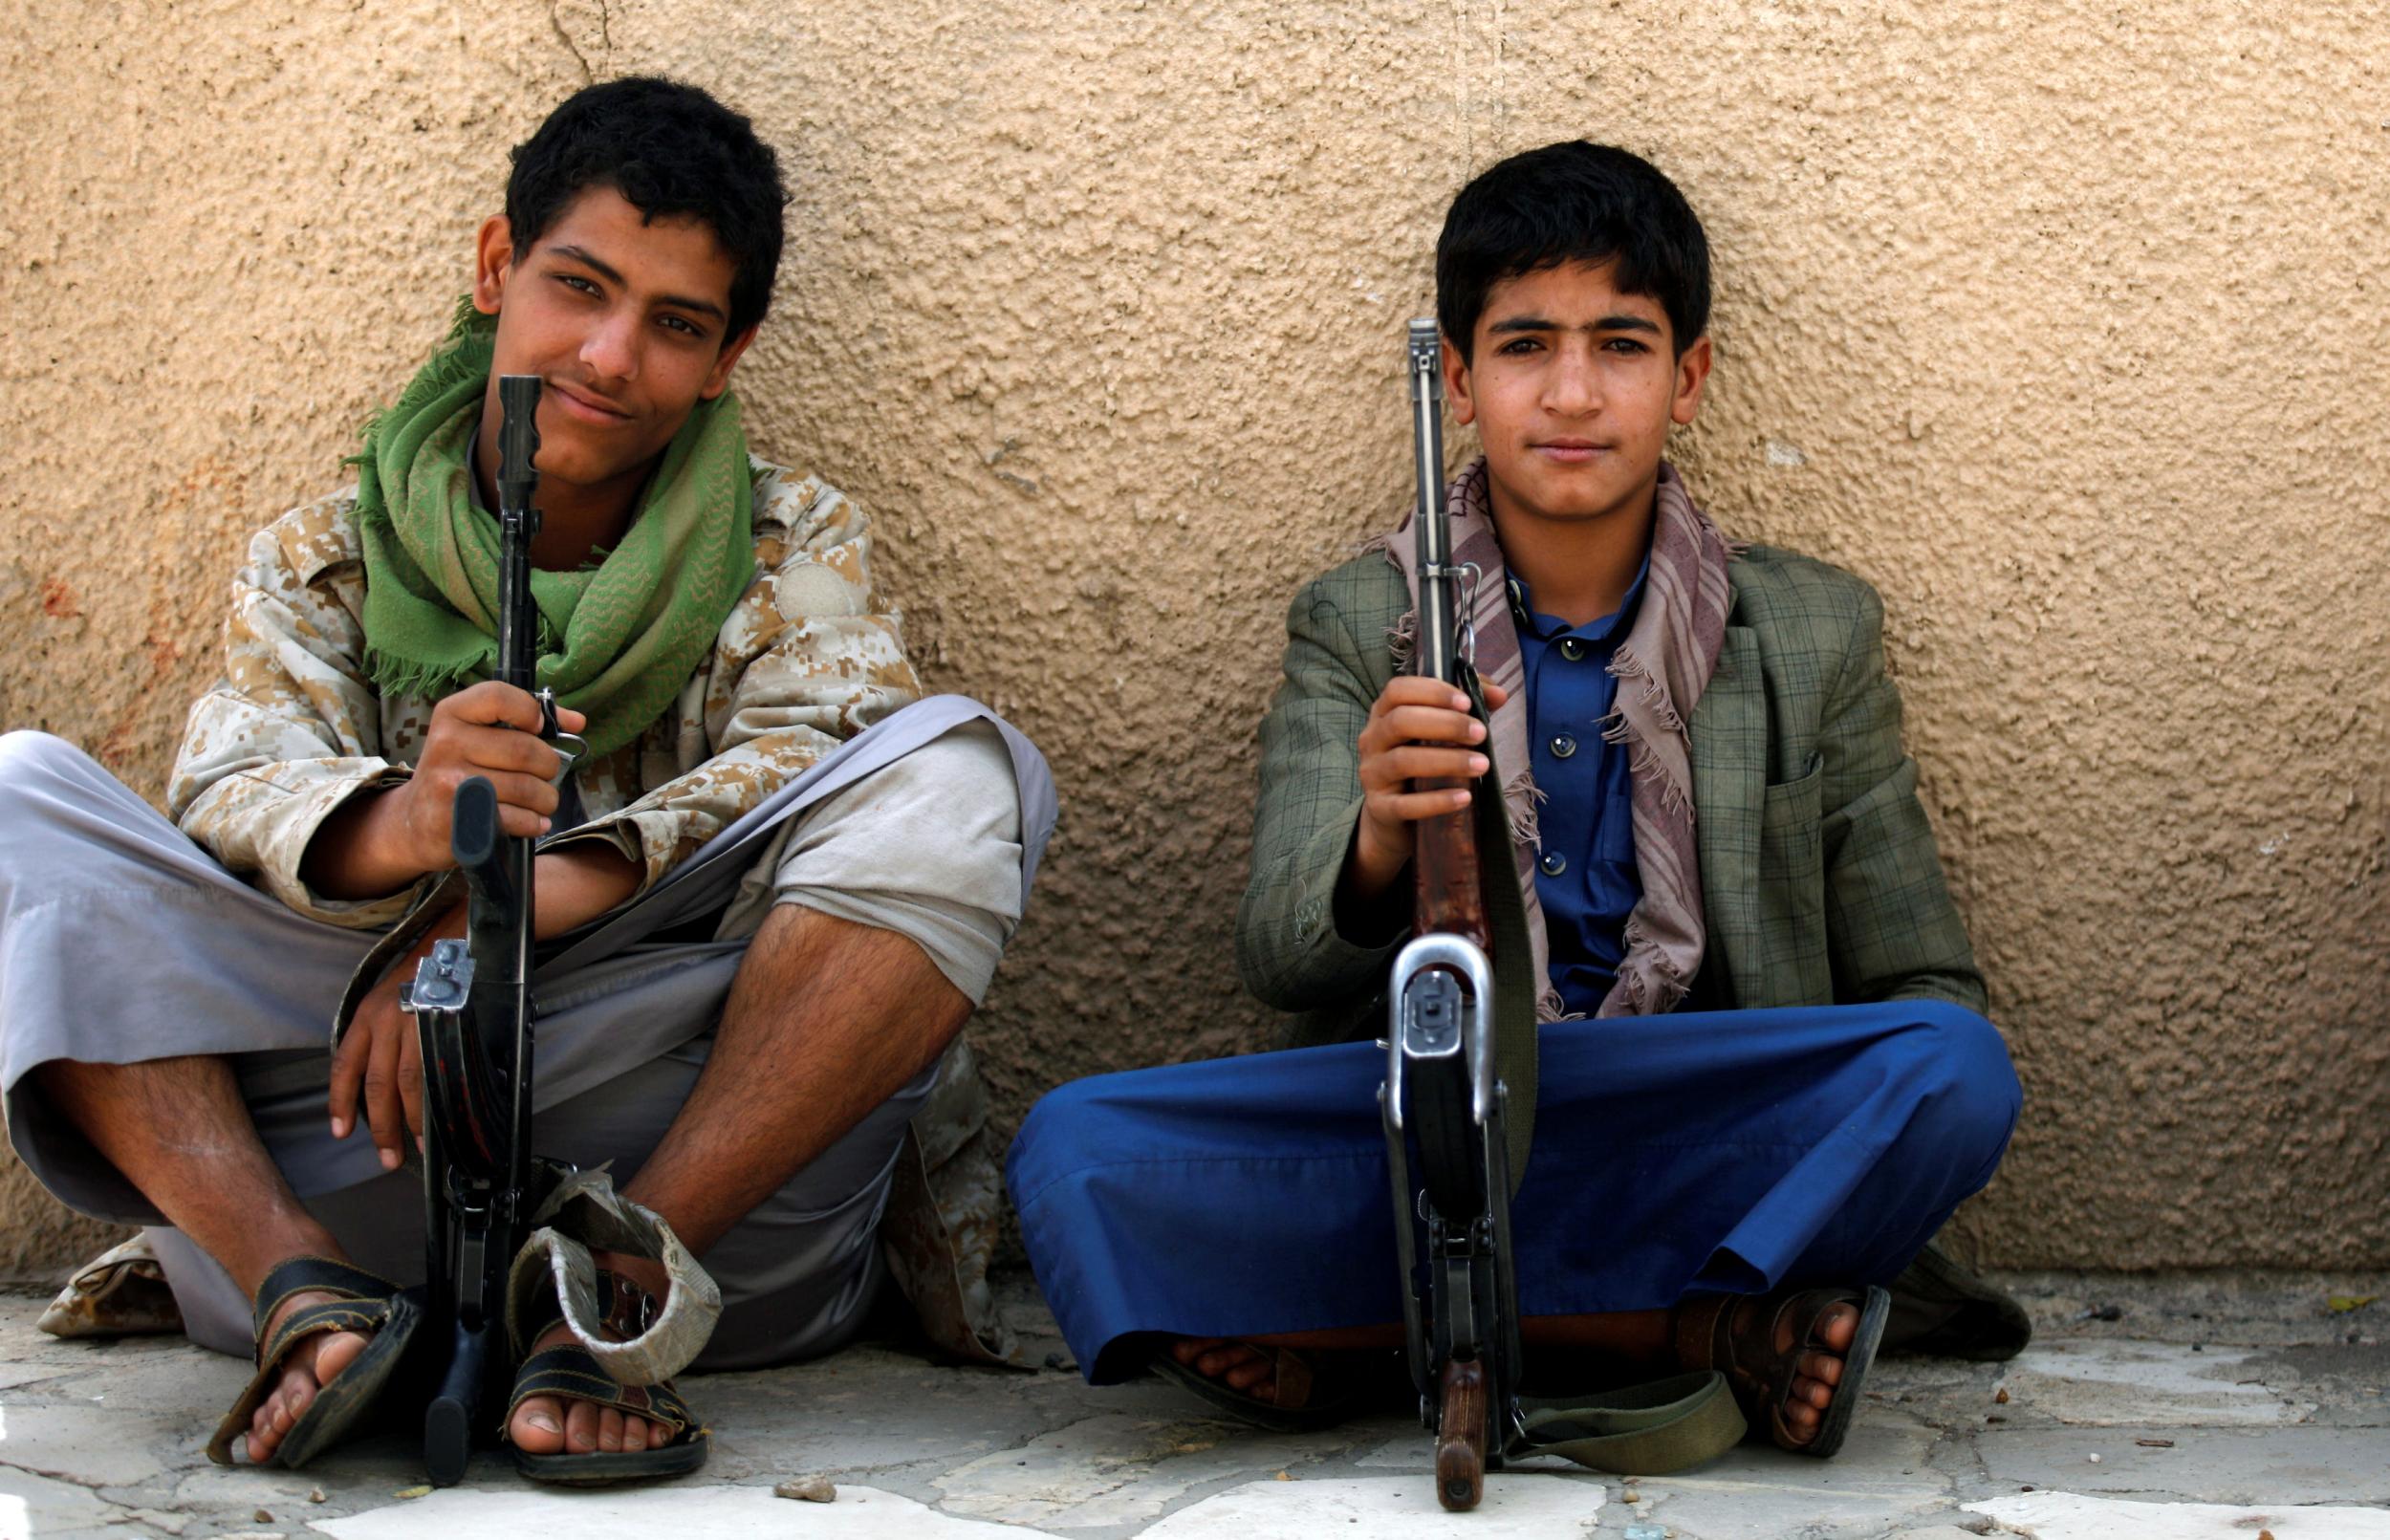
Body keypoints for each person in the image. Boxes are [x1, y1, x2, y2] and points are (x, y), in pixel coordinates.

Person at [0, 76, 1054, 1482]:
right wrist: (406, 831)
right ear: (500, 266)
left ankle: (606, 1303)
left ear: (728, 356)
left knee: (965, 771)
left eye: (675, 325)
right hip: (355, 1130)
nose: (612, 357)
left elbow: (812, 757)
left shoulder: (790, 540)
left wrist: (508, 895)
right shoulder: (325, 549)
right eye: (581, 288)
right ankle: (302, 1299)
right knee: (19, 796)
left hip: (690, 1166)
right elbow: (227, 790)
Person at [1008, 141, 2025, 1464]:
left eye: (1622, 344)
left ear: (1691, 378)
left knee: (1955, 1076)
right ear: (1462, 381)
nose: (1573, 392)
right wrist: (1379, 834)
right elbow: (1274, 954)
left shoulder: (1814, 632)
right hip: (1431, 1125)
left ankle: (1383, 1339)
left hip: (1697, 1123)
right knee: (1075, 1151)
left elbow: (1929, 988)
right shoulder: (1359, 618)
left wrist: (1765, 1098)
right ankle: (1703, 1332)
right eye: (1526, 344)